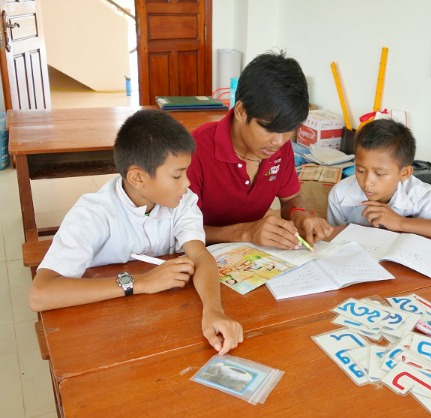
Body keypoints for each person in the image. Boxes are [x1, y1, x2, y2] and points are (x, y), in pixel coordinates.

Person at [29, 109, 243, 355]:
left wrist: (213, 310)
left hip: (161, 323)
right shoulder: (93, 214)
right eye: (176, 175)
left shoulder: (182, 201)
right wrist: (140, 283)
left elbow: (199, 256)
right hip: (105, 330)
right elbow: (40, 294)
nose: (187, 183)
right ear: (138, 178)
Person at [187, 51, 333, 250]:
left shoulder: (280, 147)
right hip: (200, 257)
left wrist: (300, 215)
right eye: (268, 128)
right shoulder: (194, 151)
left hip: (252, 258)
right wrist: (247, 232)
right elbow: (177, 230)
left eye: (288, 130)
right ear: (240, 111)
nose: (279, 141)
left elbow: (290, 197)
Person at [327, 119, 431, 245]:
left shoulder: (418, 195)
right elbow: (334, 241)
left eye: (380, 173)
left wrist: (399, 222)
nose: (367, 182)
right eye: (360, 170)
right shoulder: (340, 194)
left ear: (405, 173)